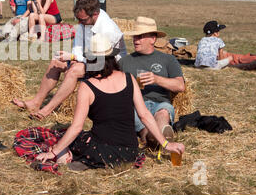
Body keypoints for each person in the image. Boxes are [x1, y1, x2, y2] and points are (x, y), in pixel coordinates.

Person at [35, 33, 185, 170]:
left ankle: (66, 157)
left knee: (69, 140)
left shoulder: (87, 87)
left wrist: (53, 152)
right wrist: (166, 144)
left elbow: (76, 127)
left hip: (101, 151)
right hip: (129, 153)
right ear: (112, 58)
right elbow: (145, 115)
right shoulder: (129, 78)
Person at [12, 0, 127, 120]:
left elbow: (99, 59)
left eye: (82, 20)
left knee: (74, 71)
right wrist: (73, 58)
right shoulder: (87, 19)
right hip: (91, 59)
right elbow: (78, 44)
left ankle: (46, 110)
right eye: (78, 19)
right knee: (55, 62)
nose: (79, 23)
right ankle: (36, 103)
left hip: (108, 65)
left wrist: (74, 57)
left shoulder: (108, 30)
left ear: (95, 14)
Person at [120, 16, 185, 148]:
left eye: (140, 36)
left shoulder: (168, 59)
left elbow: (180, 86)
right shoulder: (124, 62)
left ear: (153, 39)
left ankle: (153, 137)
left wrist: (156, 79)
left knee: (163, 112)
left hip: (160, 104)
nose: (135, 40)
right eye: (135, 36)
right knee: (130, 113)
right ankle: (150, 137)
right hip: (135, 106)